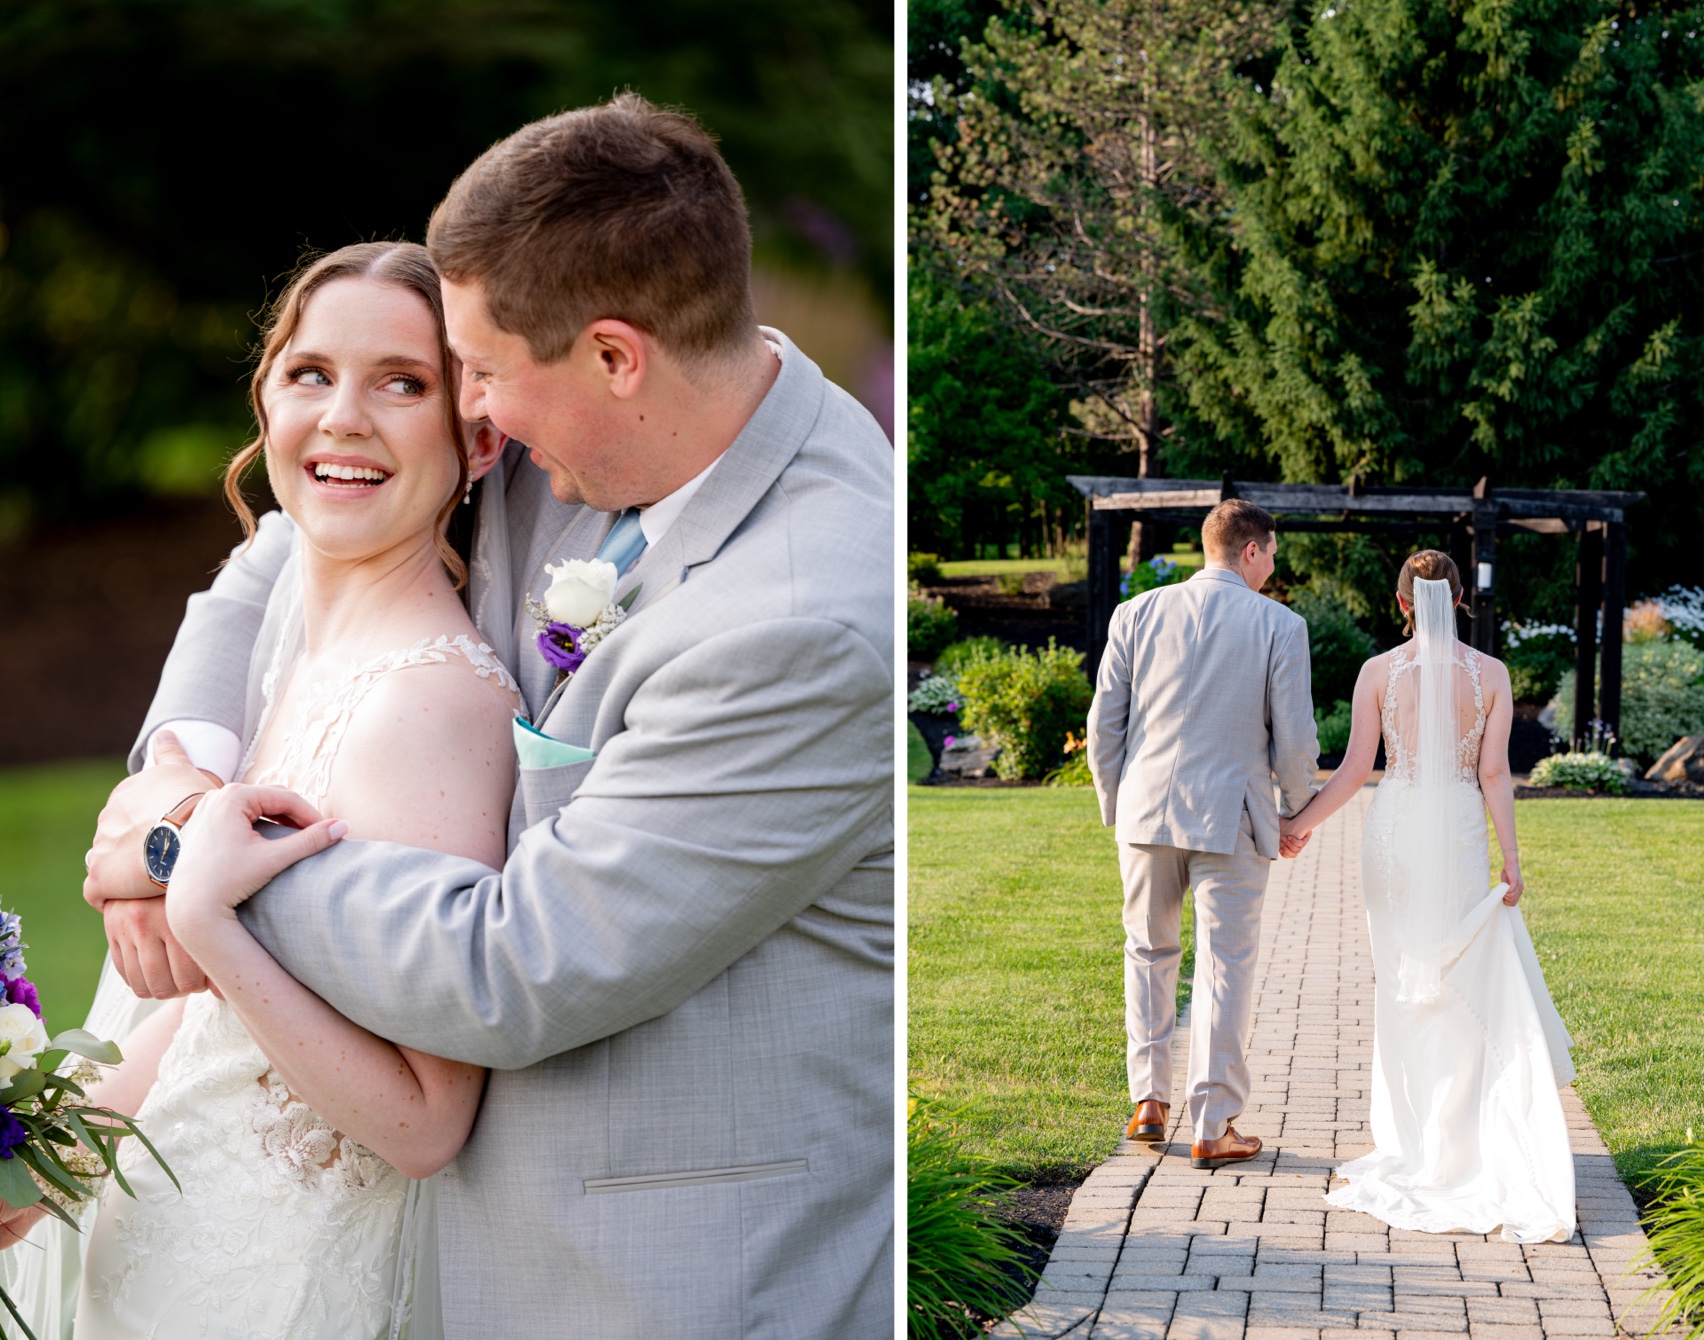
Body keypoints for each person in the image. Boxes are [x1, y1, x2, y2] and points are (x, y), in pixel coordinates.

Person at [78, 96, 894, 1338]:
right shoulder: (612, 423)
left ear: (616, 356)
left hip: (656, 1286)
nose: (476, 418)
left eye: (485, 380)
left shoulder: (804, 621)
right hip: (415, 1239)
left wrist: (198, 860)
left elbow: (517, 964)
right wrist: (177, 775)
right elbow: (276, 564)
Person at [2, 241, 516, 1337]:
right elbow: (214, 1037)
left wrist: (201, 912)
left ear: (476, 434)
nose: (344, 415)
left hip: (280, 1285)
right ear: (267, 400)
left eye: (402, 381)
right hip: (168, 1243)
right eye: (311, 372)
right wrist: (35, 1151)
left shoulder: (429, 703)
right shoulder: (299, 664)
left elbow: (426, 1121)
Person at [1279, 550, 1576, 1242]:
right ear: (1461, 597)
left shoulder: (1379, 672)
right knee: (1459, 974)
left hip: (1397, 832)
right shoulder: (1492, 675)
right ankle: (1461, 1138)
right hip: (1461, 829)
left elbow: (1357, 769)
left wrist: (1299, 825)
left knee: (1404, 982)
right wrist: (1512, 857)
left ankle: (1416, 1139)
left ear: (1403, 602)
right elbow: (1496, 771)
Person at [1086, 498, 1319, 1169]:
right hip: (1234, 817)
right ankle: (1213, 1123)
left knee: (1149, 952)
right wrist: (1296, 811)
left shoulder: (1136, 613)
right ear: (1250, 550)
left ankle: (1149, 1103)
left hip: (1145, 814)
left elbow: (1106, 723)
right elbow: (1296, 737)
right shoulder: (1279, 624)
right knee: (1224, 966)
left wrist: (1117, 805)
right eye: (1271, 555)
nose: (1273, 567)